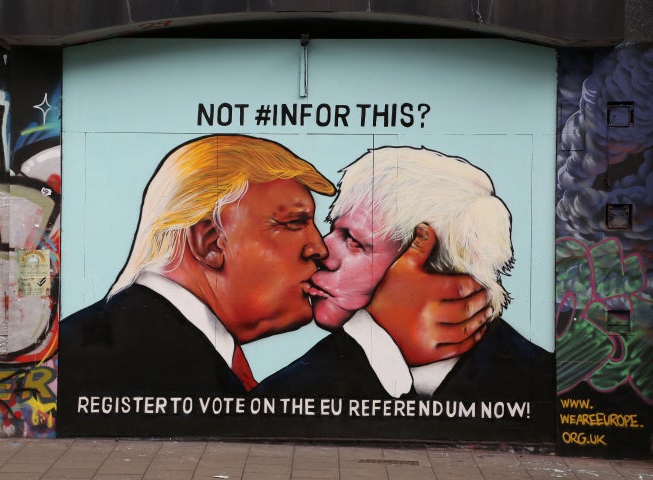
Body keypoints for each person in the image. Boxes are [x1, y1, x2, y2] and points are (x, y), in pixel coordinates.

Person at [57, 136, 488, 436]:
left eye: (350, 240)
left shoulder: (138, 338)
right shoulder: (141, 358)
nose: (319, 248)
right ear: (210, 243)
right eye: (294, 222)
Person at [256, 146, 553, 402]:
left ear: (435, 270)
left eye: (355, 242)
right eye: (334, 229)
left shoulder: (541, 383)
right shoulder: (286, 390)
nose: (322, 250)